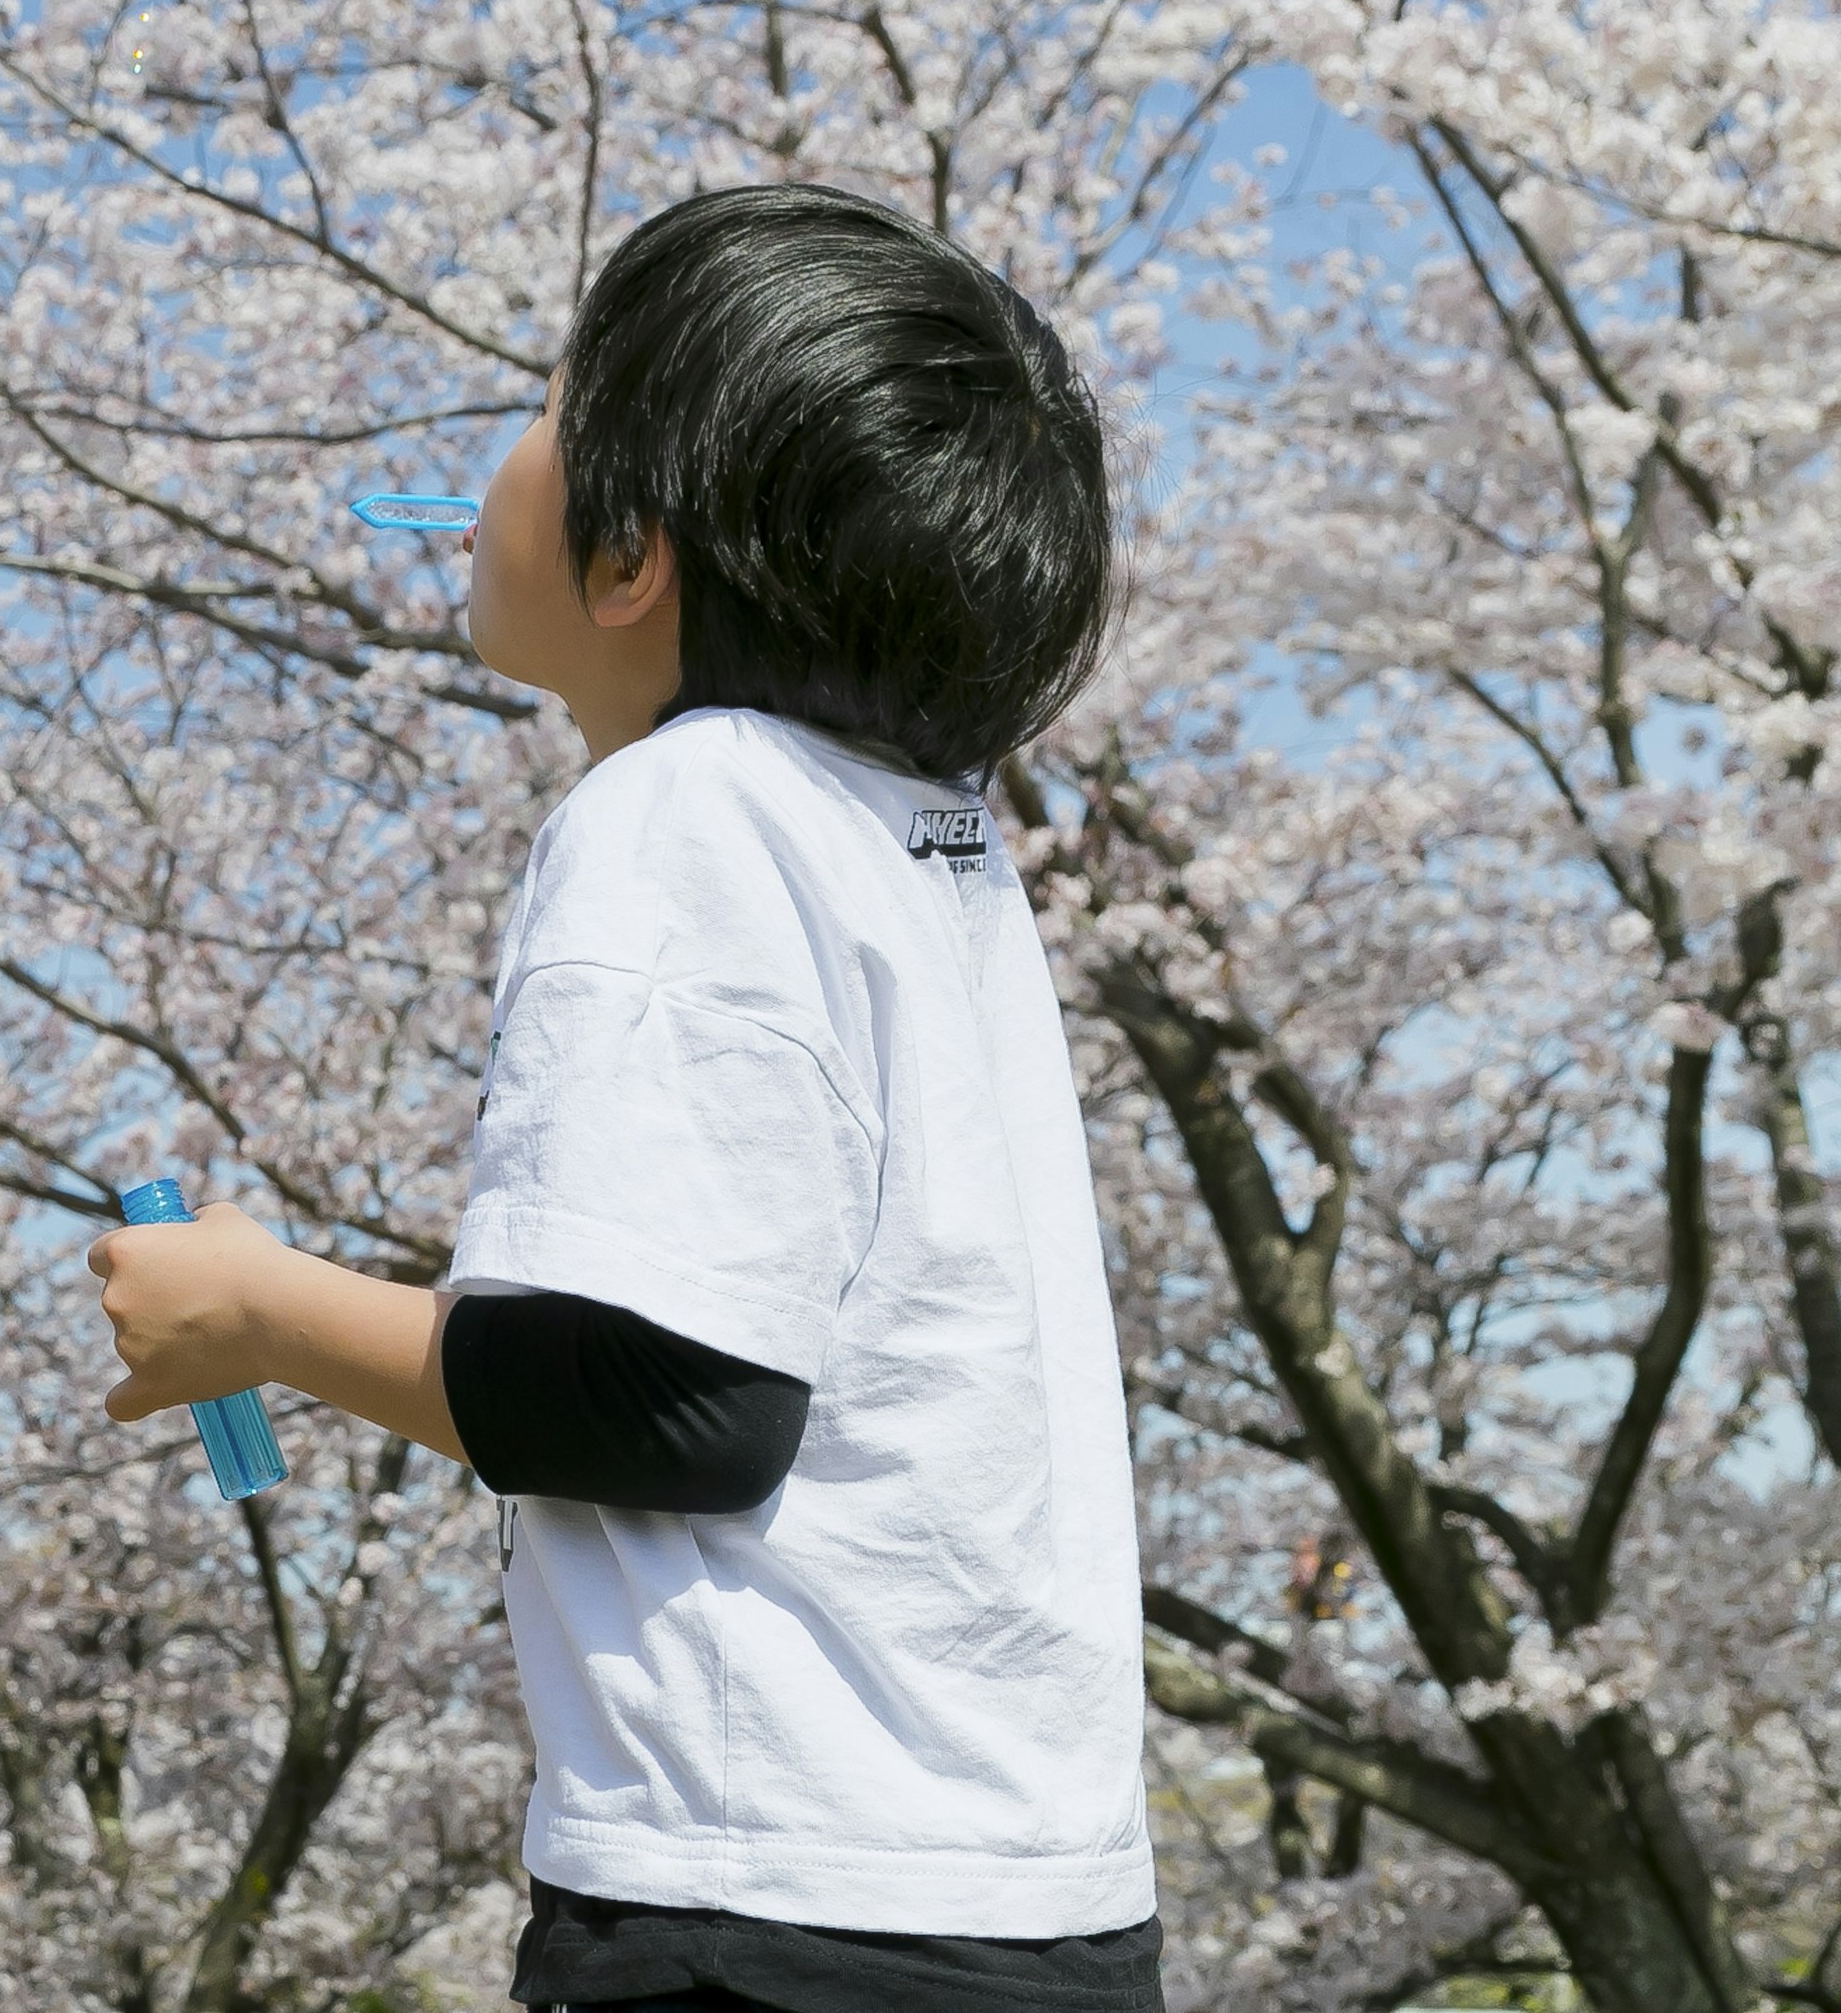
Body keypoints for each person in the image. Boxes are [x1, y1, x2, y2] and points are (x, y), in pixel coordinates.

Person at [87, 183, 1161, 2012]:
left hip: (770, 1918)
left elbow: (666, 1401)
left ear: (628, 557)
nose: (499, 455)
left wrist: (253, 1312)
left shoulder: (686, 809)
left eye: (544, 404)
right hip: (1026, 1913)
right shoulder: (932, 846)